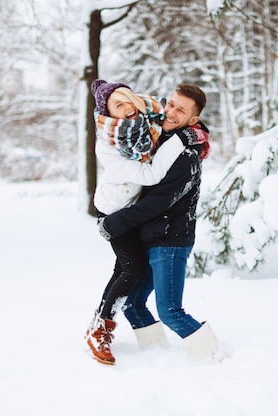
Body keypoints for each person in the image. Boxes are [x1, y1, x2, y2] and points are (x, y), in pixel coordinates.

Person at [97, 84, 221, 361]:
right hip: (151, 237)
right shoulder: (159, 137)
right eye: (172, 104)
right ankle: (156, 355)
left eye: (181, 110)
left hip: (171, 241)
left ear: (193, 120)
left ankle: (214, 354)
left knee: (169, 311)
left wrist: (116, 223)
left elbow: (159, 202)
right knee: (132, 304)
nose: (172, 111)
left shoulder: (186, 155)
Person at [85, 79, 186, 365]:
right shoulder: (107, 144)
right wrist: (179, 142)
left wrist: (192, 129)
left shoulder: (150, 117)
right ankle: (101, 329)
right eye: (118, 105)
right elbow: (150, 175)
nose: (127, 106)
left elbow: (176, 115)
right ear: (109, 114)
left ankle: (97, 325)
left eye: (128, 99)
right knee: (132, 268)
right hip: (114, 211)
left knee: (124, 268)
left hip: (135, 207)